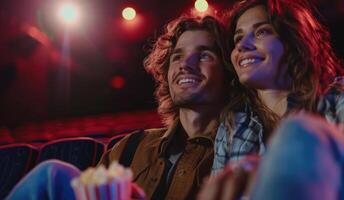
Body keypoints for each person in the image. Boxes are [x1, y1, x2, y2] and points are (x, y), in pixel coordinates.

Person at [7, 15, 236, 200]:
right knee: (51, 173)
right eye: (177, 57)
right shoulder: (129, 147)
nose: (185, 64)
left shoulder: (242, 148)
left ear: (229, 72)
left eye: (204, 55)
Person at [202, 0, 344, 199]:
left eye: (261, 31)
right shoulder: (233, 125)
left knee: (299, 130)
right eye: (238, 39)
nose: (242, 46)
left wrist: (271, 172)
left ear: (292, 39)